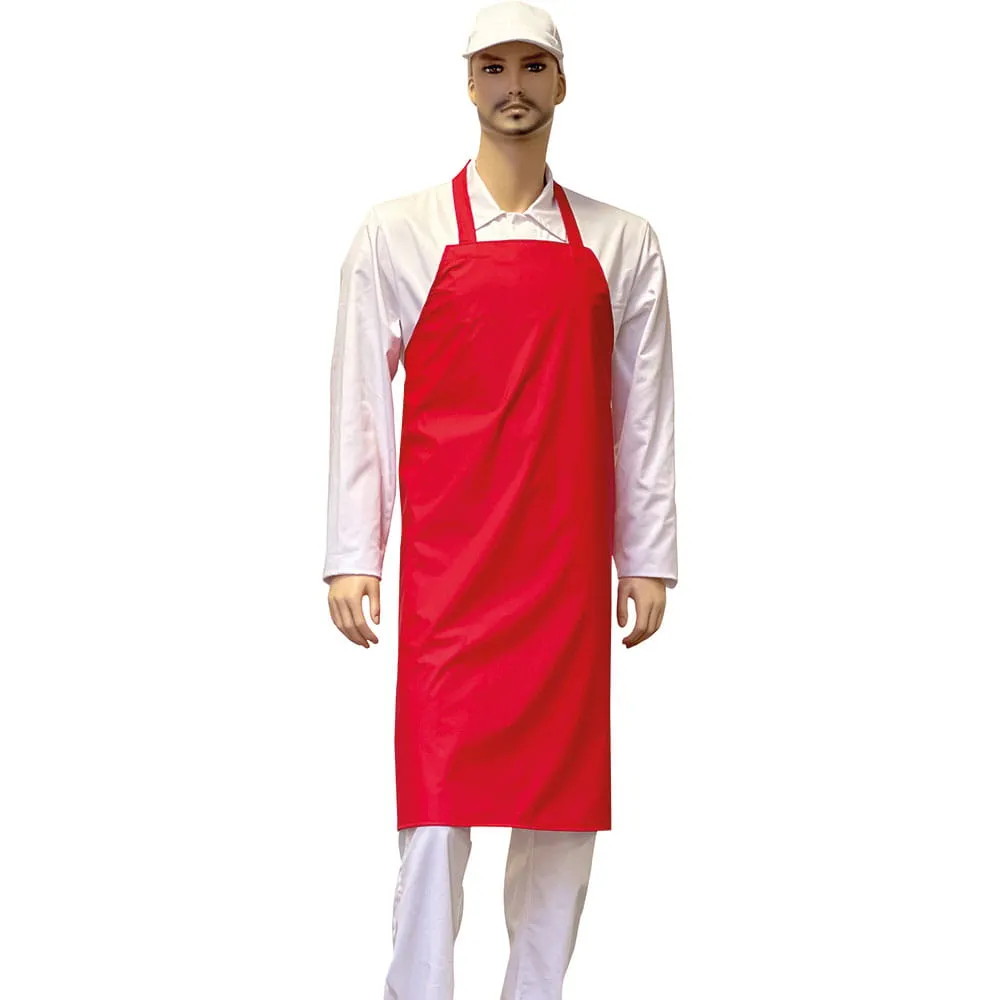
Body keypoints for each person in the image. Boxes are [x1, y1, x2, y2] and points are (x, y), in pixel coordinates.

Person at [322, 2, 678, 997]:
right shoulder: (398, 231)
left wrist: (647, 556)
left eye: (531, 66)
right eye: (493, 67)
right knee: (436, 813)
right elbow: (359, 396)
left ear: (561, 82)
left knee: (560, 815)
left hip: (565, 572)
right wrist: (354, 552)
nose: (512, 85)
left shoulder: (624, 240)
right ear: (468, 83)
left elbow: (643, 410)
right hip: (453, 572)